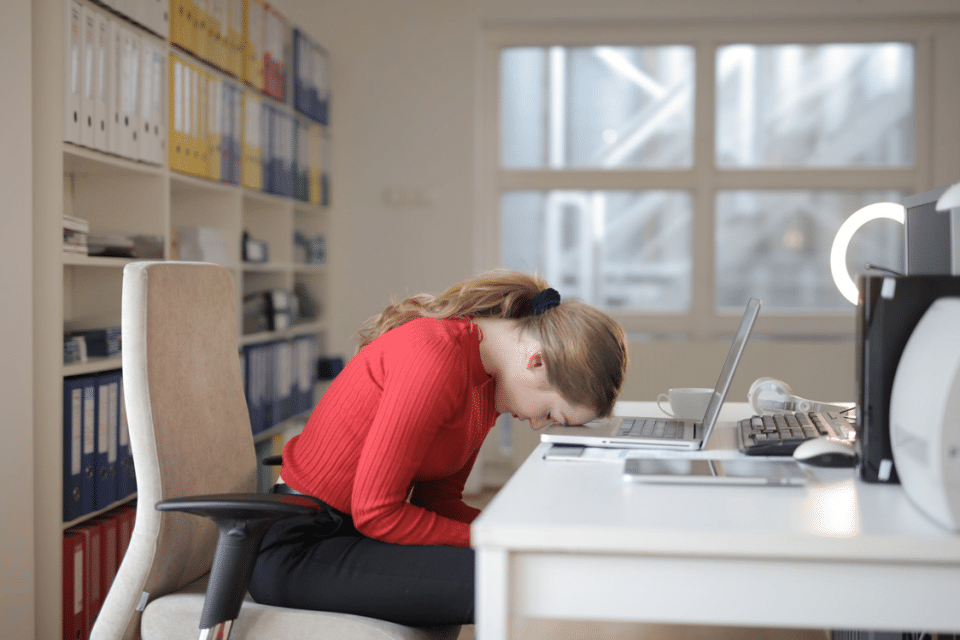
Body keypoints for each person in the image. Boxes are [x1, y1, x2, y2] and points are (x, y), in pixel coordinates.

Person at [249, 269, 628, 627]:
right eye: (550, 413)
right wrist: (494, 538)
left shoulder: (487, 385)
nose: (538, 424)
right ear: (538, 362)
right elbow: (377, 513)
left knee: (523, 566)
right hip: (301, 548)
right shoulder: (436, 355)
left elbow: (439, 501)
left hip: (351, 536)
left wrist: (516, 533)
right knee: (514, 580)